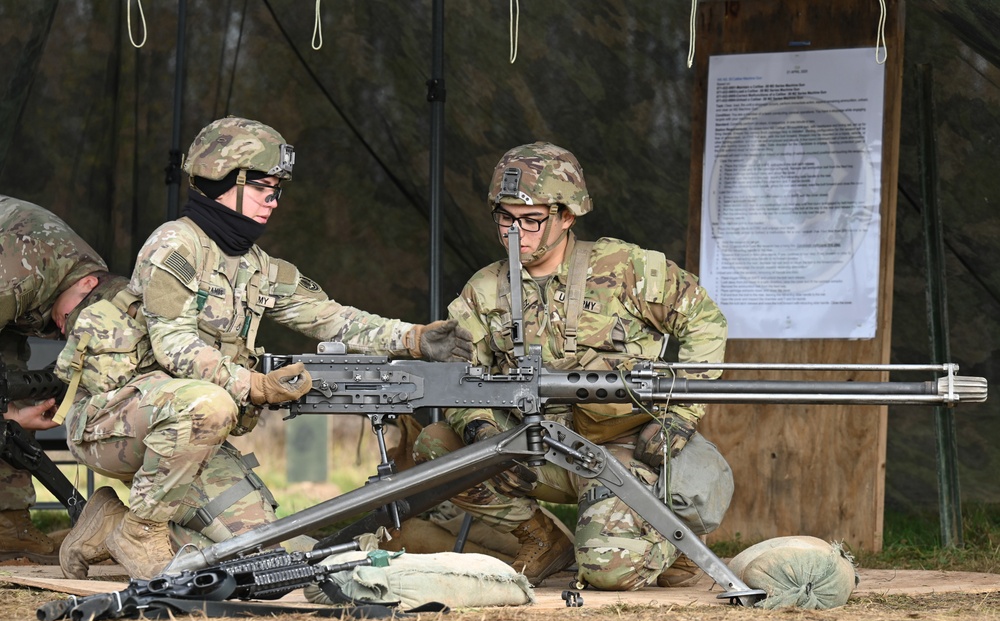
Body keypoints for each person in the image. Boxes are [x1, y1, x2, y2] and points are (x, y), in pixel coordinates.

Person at [56, 116, 474, 580]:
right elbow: (173, 344)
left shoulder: (257, 267)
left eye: (278, 191)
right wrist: (251, 384)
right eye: (263, 188)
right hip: (116, 424)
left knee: (265, 550)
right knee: (211, 403)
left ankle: (109, 525)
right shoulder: (174, 246)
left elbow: (332, 317)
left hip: (192, 437)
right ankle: (141, 531)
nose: (274, 202)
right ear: (221, 180)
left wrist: (411, 338)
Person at [413, 142, 733, 590]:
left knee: (609, 570)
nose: (514, 233)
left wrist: (679, 416)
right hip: (533, 447)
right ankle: (542, 539)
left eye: (531, 220)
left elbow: (703, 319)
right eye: (504, 218)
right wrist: (482, 431)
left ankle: (671, 541)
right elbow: (461, 379)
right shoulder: (484, 290)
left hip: (618, 449)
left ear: (567, 216)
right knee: (436, 447)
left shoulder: (624, 267)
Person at [0, 196, 109, 563]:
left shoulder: (92, 284)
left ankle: (8, 526)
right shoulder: (20, 276)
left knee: (10, 378)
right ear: (87, 284)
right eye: (75, 324)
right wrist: (8, 417)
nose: (69, 334)